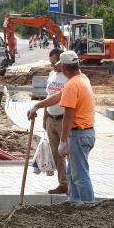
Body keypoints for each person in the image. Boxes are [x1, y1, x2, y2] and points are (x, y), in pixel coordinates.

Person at [28, 50, 95, 202]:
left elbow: (69, 116)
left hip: (79, 134)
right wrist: (37, 106)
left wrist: (63, 141)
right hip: (85, 133)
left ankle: (89, 210)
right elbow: (57, 97)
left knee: (80, 176)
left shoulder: (72, 85)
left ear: (64, 68)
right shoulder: (82, 78)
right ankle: (73, 206)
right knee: (73, 175)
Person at [36, 48, 69, 194]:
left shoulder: (69, 77)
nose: (52, 65)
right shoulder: (51, 74)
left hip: (64, 121)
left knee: (69, 153)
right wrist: (45, 117)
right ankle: (63, 183)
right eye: (51, 62)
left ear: (61, 61)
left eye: (54, 62)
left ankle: (75, 184)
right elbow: (49, 97)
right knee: (57, 154)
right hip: (51, 119)